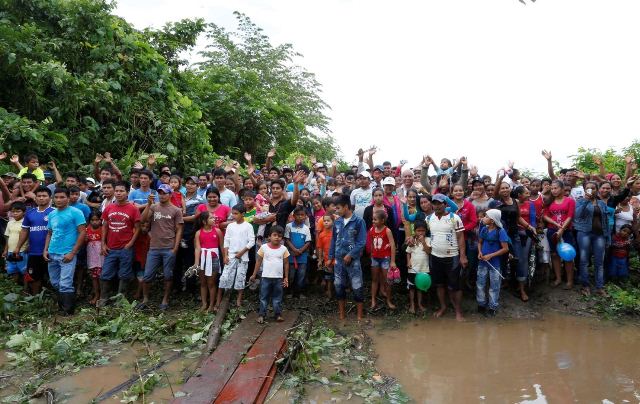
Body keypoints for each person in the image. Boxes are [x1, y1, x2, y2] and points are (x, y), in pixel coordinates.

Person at [139, 184, 184, 310]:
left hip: (168, 247)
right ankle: (145, 299)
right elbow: (142, 220)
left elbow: (179, 230)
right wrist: (148, 204)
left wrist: (175, 248)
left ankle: (165, 300)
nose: (162, 195)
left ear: (170, 194)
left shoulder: (176, 210)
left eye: (165, 193)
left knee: (168, 276)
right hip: (154, 247)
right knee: (147, 276)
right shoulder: (154, 207)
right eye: (160, 193)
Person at [43, 188, 87, 315]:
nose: (59, 200)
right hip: (52, 253)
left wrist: (73, 253)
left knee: (65, 283)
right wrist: (45, 250)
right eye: (56, 197)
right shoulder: (52, 214)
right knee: (55, 282)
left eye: (62, 197)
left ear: (68, 198)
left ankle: (68, 311)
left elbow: (82, 232)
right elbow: (49, 233)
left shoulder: (76, 212)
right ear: (53, 199)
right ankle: (62, 306)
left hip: (67, 253)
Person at [99, 181, 141, 306]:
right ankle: (103, 299)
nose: (118, 193)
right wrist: (103, 243)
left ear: (127, 193)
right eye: (116, 191)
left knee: (124, 274)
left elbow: (137, 228)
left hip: (125, 248)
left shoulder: (133, 209)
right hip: (110, 247)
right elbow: (105, 226)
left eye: (121, 191)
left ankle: (120, 301)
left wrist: (131, 243)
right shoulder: (109, 207)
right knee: (105, 274)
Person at [426, 193, 467, 321]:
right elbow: (423, 233)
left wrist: (463, 256)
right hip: (435, 257)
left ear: (445, 204)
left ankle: (458, 311)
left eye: (439, 203)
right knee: (439, 284)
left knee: (455, 286)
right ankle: (443, 307)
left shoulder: (454, 218)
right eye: (434, 203)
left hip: (452, 257)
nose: (437, 206)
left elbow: (461, 238)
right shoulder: (429, 219)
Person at [329, 194, 367, 321]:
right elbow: (333, 240)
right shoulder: (337, 222)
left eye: (338, 208)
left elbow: (362, 242)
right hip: (338, 261)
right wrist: (330, 257)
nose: (336, 211)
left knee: (357, 286)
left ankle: (359, 315)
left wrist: (350, 255)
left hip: (353, 261)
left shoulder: (359, 221)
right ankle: (342, 314)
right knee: (338, 285)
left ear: (346, 207)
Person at [14, 186, 54, 294]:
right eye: (39, 196)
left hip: (51, 251)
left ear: (50, 198)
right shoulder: (30, 212)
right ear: (35, 198)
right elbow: (24, 231)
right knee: (34, 277)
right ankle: (36, 298)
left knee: (52, 277)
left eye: (44, 196)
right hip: (34, 251)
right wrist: (18, 247)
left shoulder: (54, 212)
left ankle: (52, 299)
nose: (41, 198)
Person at [574, 182, 611, 296]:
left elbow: (606, 221)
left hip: (599, 235)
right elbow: (577, 215)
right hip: (584, 233)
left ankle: (599, 287)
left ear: (597, 189)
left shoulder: (601, 203)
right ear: (584, 190)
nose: (590, 190)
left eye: (593, 188)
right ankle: (585, 286)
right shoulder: (580, 201)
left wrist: (608, 237)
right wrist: (586, 200)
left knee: (599, 262)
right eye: (588, 188)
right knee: (584, 260)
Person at [250, 225, 290, 324]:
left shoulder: (284, 249)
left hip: (278, 278)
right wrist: (254, 274)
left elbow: (286, 263)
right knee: (263, 297)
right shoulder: (263, 247)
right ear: (269, 236)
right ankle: (261, 315)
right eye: (274, 235)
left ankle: (278, 314)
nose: (277, 237)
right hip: (265, 278)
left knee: (277, 297)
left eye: (279, 236)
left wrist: (286, 277)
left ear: (282, 238)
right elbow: (258, 261)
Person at [543, 180, 576, 289]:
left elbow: (570, 216)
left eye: (556, 188)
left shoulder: (570, 200)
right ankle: (558, 278)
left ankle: (570, 281)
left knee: (568, 255)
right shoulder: (549, 201)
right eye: (552, 188)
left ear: (562, 189)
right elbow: (545, 216)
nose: (553, 190)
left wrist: (561, 229)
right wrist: (554, 223)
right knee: (554, 254)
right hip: (552, 230)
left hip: (566, 231)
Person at [221, 203, 255, 307]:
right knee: (226, 276)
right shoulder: (230, 226)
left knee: (241, 276)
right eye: (233, 213)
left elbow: (251, 241)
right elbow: (226, 241)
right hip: (231, 255)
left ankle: (239, 299)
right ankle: (226, 297)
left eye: (236, 214)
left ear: (243, 214)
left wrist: (242, 252)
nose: (233, 215)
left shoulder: (248, 226)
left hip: (243, 256)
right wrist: (225, 255)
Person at [477, 209, 510, 317]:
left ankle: (492, 307)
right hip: (482, 262)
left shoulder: (500, 231)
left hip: (495, 264)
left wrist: (490, 256)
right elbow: (480, 242)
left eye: (486, 216)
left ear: (492, 220)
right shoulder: (484, 229)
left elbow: (505, 248)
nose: (483, 218)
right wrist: (480, 252)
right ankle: (481, 304)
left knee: (494, 286)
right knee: (480, 284)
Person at [193, 211, 224, 312]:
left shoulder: (218, 231)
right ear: (204, 221)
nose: (214, 219)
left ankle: (211, 305)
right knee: (203, 282)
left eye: (214, 217)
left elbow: (222, 246)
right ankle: (204, 304)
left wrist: (225, 258)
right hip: (202, 259)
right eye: (211, 218)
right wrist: (196, 263)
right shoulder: (198, 233)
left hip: (214, 259)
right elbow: (197, 248)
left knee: (211, 283)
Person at [367, 210, 397, 310]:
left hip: (385, 258)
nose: (373, 221)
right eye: (373, 219)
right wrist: (371, 254)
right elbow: (372, 243)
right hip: (375, 258)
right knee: (374, 279)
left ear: (382, 220)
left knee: (387, 280)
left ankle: (388, 300)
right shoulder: (372, 230)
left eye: (375, 219)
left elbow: (393, 246)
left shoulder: (387, 231)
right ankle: (373, 300)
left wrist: (392, 261)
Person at [285, 206, 312, 299]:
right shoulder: (288, 226)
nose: (300, 216)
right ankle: (290, 292)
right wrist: (294, 250)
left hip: (302, 256)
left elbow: (308, 242)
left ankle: (299, 292)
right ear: (293, 216)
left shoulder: (306, 228)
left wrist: (300, 251)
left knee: (301, 275)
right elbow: (287, 240)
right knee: (291, 275)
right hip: (291, 255)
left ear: (305, 216)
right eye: (298, 215)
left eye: (302, 215)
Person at [405, 220, 431, 314]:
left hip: (423, 268)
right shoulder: (412, 241)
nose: (420, 233)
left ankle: (419, 304)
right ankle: (412, 305)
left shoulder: (428, 240)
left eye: (423, 230)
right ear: (415, 231)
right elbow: (408, 252)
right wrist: (408, 261)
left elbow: (428, 252)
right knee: (412, 288)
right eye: (418, 230)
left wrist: (423, 242)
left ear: (426, 231)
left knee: (420, 287)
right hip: (413, 269)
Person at [3, 201, 28, 284]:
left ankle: (26, 288)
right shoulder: (10, 223)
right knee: (12, 270)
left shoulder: (26, 223)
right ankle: (15, 286)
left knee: (24, 270)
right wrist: (6, 250)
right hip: (10, 251)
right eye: (13, 211)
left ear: (24, 212)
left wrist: (28, 246)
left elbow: (30, 236)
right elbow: (7, 237)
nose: (15, 213)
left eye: (18, 211)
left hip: (22, 251)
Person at [86, 210, 104, 305]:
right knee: (94, 277)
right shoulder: (87, 229)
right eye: (92, 220)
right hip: (91, 257)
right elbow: (84, 242)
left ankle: (102, 295)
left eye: (97, 220)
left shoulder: (103, 229)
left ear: (101, 220)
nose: (95, 222)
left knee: (101, 277)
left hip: (101, 257)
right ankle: (96, 294)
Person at [316, 213, 334, 299]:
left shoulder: (336, 234)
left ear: (333, 221)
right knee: (328, 276)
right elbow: (320, 248)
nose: (326, 222)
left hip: (336, 259)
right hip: (327, 259)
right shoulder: (321, 234)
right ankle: (329, 291)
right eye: (324, 221)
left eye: (328, 221)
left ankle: (337, 291)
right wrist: (320, 260)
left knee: (337, 276)